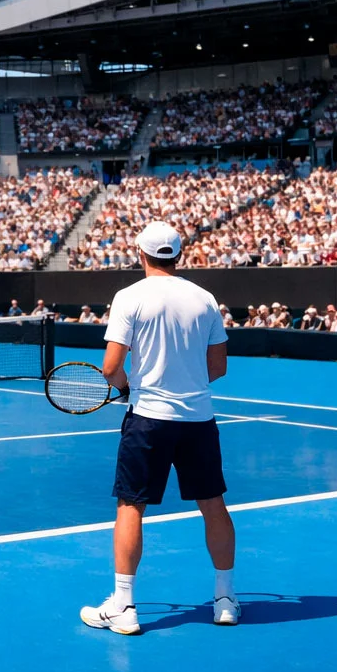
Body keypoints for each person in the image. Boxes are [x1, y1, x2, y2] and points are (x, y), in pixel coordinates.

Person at [81, 221, 236, 635]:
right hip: (199, 420)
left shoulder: (129, 297)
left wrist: (129, 387)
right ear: (178, 255)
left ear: (140, 254)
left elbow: (111, 368)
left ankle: (124, 606)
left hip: (148, 419)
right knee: (214, 506)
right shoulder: (205, 299)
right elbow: (217, 367)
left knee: (131, 507)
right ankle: (225, 600)